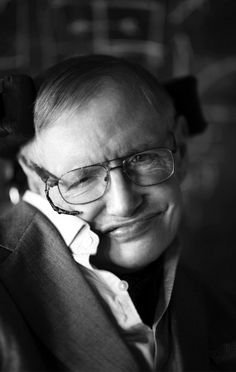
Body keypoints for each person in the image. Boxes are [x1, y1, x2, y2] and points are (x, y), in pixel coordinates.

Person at [0, 55, 235, 372]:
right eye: (82, 179)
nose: (124, 204)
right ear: (33, 178)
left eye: (143, 158)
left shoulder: (218, 309)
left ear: (181, 146)